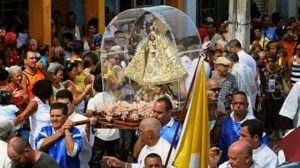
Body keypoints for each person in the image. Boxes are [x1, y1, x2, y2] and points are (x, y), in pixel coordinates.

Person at [216, 91, 268, 164]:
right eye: (235, 103)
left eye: (241, 103)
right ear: (232, 104)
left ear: (247, 105)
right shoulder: (224, 121)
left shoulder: (255, 124)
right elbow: (216, 140)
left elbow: (263, 148)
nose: (238, 106)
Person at [103, 118, 175, 168]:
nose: (138, 134)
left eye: (140, 131)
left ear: (149, 134)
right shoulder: (147, 146)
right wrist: (122, 164)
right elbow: (141, 166)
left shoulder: (167, 152)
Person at [86, 76, 120, 168]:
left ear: (94, 87)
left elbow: (88, 113)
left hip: (100, 134)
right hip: (114, 133)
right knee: (114, 160)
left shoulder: (93, 100)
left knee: (95, 161)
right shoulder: (113, 98)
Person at [35, 102, 83, 168]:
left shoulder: (75, 131)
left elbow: (73, 153)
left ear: (66, 117)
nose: (54, 119)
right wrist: (60, 132)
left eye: (58, 116)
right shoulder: (46, 130)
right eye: (52, 116)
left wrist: (67, 131)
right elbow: (38, 146)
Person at [56, 89, 93, 168]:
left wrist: (88, 129)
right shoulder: (54, 121)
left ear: (72, 103)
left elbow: (89, 144)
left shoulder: (83, 121)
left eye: (66, 104)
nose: (64, 108)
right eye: (60, 105)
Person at [13, 79, 53, 149]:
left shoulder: (47, 101)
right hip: (37, 139)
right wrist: (6, 128)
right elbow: (21, 117)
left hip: (49, 138)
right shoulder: (34, 103)